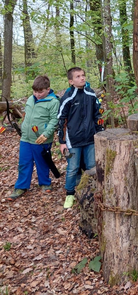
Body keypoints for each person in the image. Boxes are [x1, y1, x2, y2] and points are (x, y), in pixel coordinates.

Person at [57, 67, 104, 209]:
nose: (82, 78)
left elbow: (98, 115)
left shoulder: (91, 94)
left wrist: (100, 132)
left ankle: (92, 192)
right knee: (73, 168)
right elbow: (61, 120)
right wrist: (62, 142)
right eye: (77, 76)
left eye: (83, 75)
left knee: (91, 166)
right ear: (71, 81)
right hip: (73, 140)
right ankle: (70, 194)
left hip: (90, 138)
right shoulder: (68, 97)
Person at [7, 75, 60, 201]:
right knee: (24, 162)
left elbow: (54, 120)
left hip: (41, 138)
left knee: (42, 162)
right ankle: (21, 187)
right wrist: (23, 126)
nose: (37, 94)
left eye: (40, 92)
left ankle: (45, 183)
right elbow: (26, 115)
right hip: (26, 138)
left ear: (48, 89)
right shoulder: (31, 99)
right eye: (35, 91)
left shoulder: (53, 102)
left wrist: (46, 134)